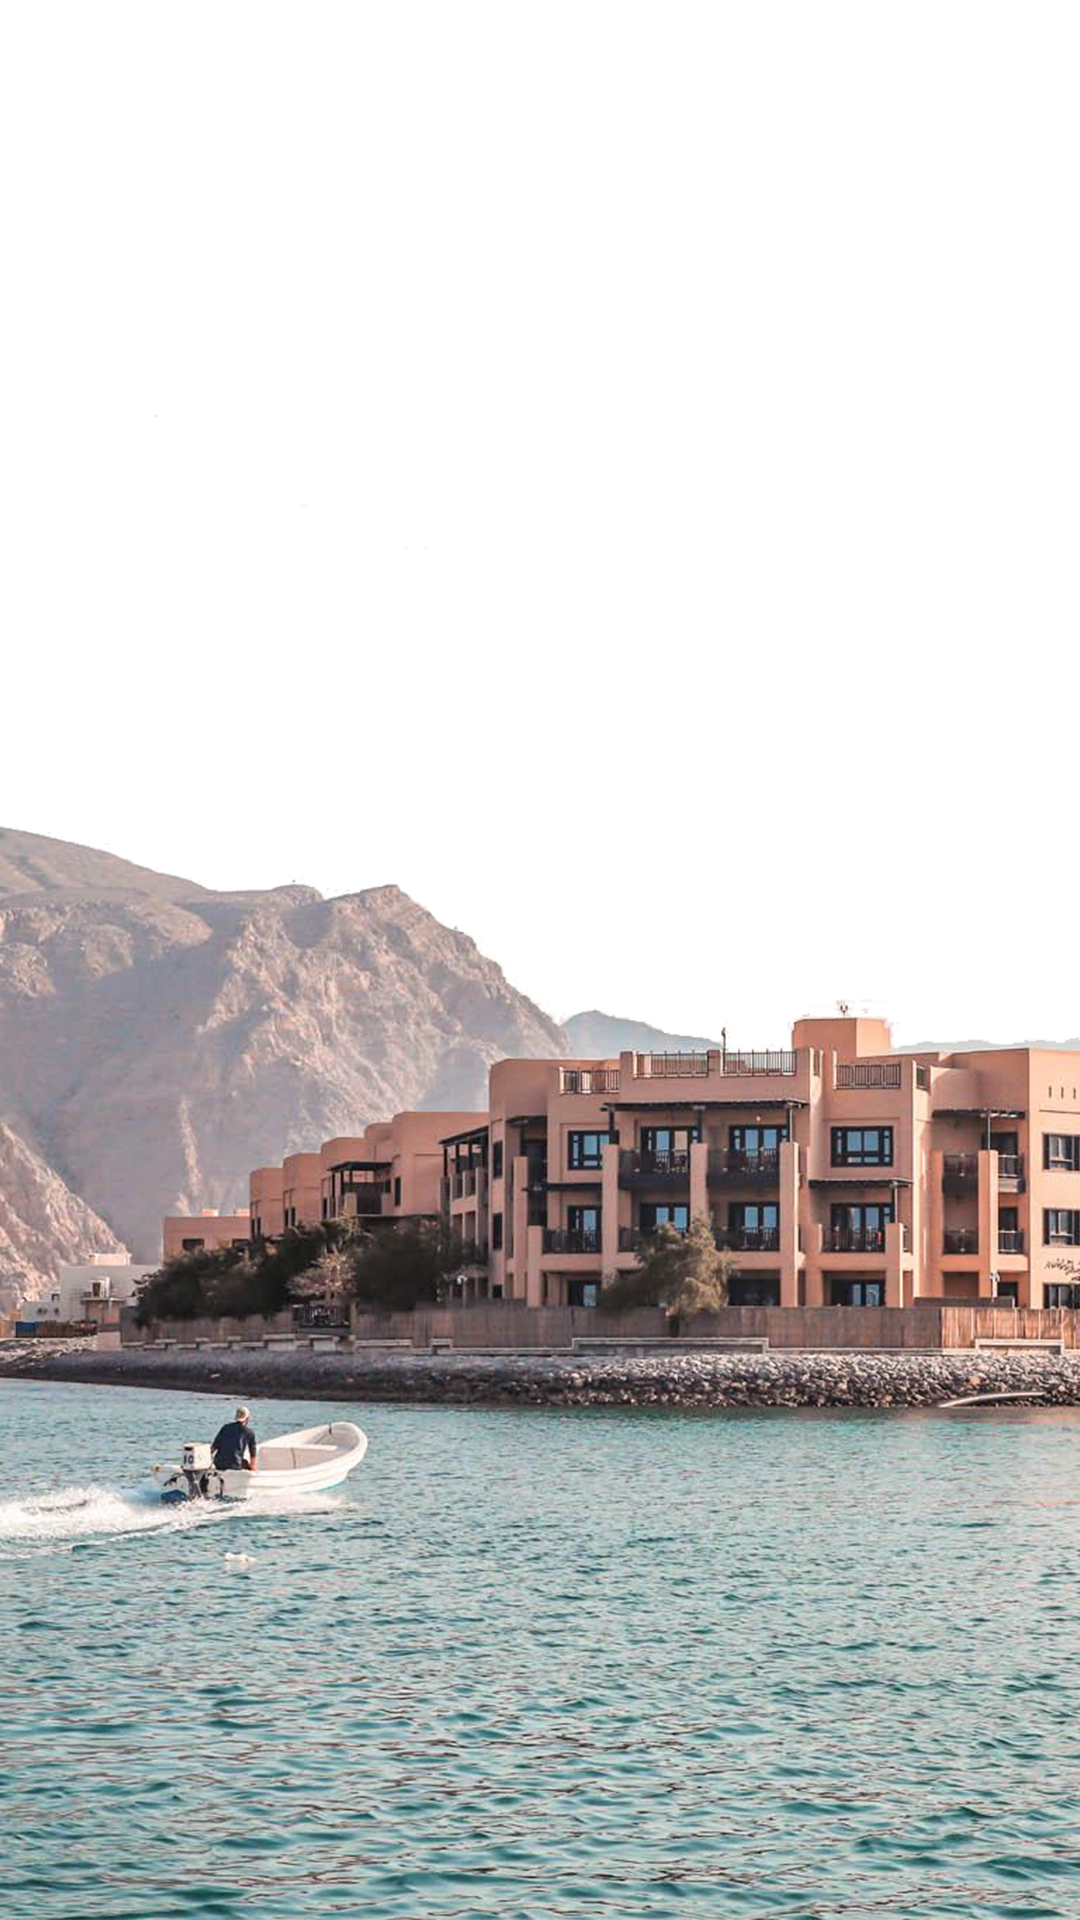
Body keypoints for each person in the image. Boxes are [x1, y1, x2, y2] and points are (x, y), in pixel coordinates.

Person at [211, 1405, 258, 1473]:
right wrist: (253, 1468)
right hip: (235, 1465)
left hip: (219, 1464)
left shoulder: (225, 1428)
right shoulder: (249, 1432)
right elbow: (252, 1452)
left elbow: (214, 1447)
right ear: (247, 1419)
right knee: (246, 1464)